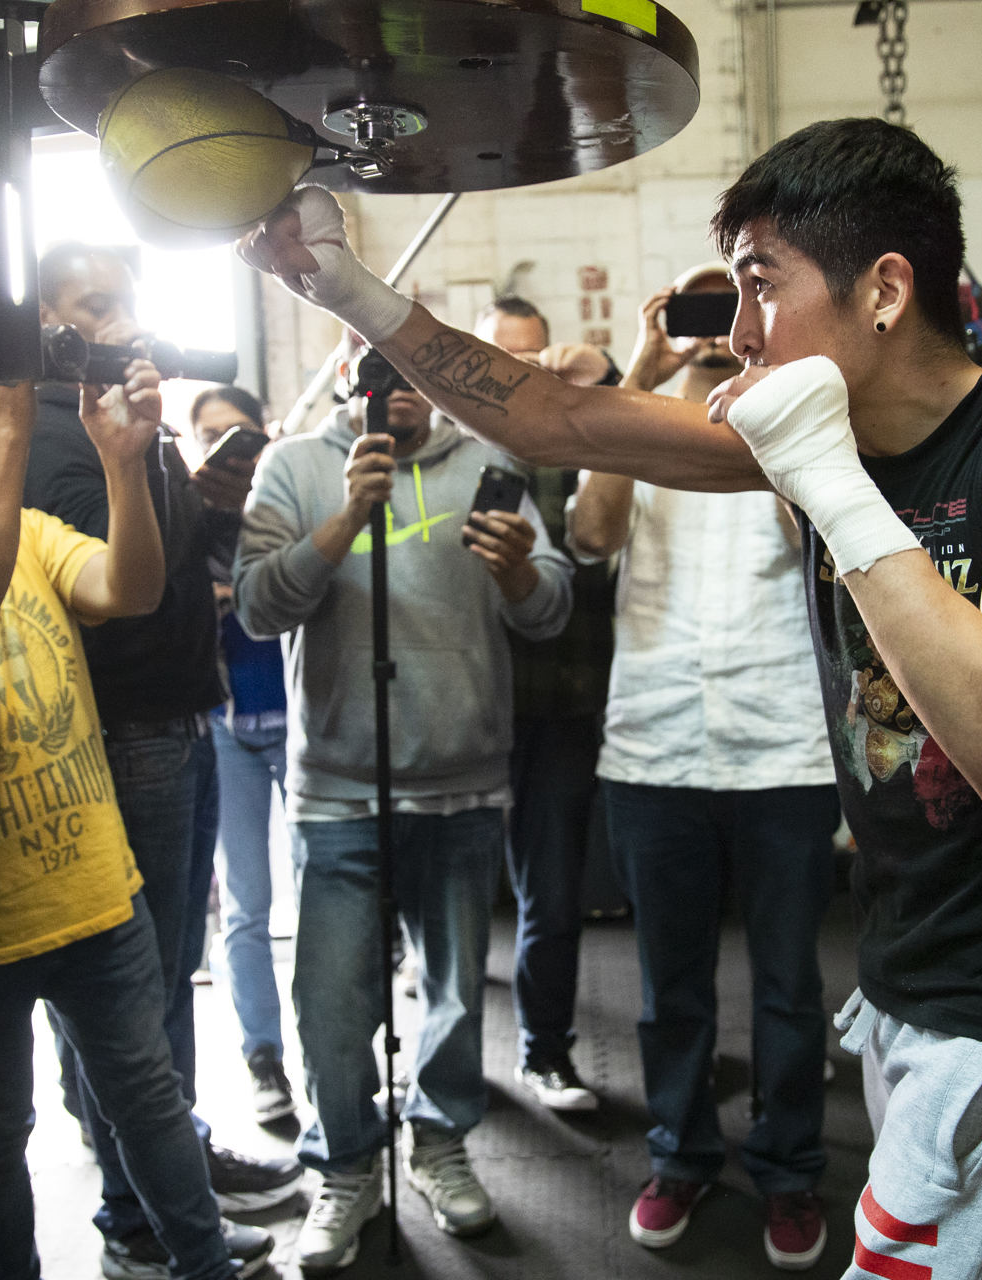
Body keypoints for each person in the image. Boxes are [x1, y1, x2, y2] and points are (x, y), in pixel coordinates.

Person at [238, 115, 982, 1279]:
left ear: (885, 290)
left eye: (762, 285)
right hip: (901, 971)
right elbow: (554, 417)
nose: (737, 334)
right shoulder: (828, 442)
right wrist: (342, 286)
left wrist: (824, 477)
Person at [0, 367, 262, 1280]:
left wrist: (124, 465)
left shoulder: (27, 533)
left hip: (94, 887)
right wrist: (11, 431)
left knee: (150, 1099)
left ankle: (202, 1266)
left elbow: (129, 589)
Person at [233, 358, 573, 1273]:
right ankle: (347, 1165)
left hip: (463, 779)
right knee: (330, 1000)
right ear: (353, 377)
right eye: (382, 369)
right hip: (339, 787)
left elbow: (550, 611)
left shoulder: (489, 463)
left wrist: (516, 574)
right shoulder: (294, 466)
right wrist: (345, 518)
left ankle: (438, 1141)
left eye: (418, 368)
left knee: (457, 992)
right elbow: (258, 608)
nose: (403, 386)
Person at [22, 243, 301, 1273]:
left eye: (130, 302)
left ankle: (173, 1165)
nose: (125, 323)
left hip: (174, 720)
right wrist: (162, 468)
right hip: (126, 729)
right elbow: (126, 585)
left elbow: (172, 551)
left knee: (163, 978)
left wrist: (182, 472)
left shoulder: (113, 428)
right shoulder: (52, 439)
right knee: (129, 997)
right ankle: (140, 1218)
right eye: (96, 305)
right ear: (43, 325)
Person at [565, 266, 841, 1268]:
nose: (718, 328)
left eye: (737, 308)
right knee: (668, 982)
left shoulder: (801, 417)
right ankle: (679, 1154)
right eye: (699, 309)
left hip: (784, 742)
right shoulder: (636, 421)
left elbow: (821, 542)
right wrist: (642, 372)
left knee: (789, 983)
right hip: (658, 740)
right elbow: (591, 535)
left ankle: (789, 1168)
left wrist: (769, 395)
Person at [471, 295, 618, 1114]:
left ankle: (545, 1052)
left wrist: (610, 378)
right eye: (502, 355)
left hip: (559, 702)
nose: (518, 370)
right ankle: (446, 1060)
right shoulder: (449, 456)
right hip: (463, 706)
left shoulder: (578, 448)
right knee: (451, 895)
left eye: (533, 355)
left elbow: (599, 564)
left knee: (553, 895)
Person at [191, 384, 296, 1124]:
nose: (226, 448)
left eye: (239, 434)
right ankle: (263, 1057)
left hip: (305, 720)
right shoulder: (181, 517)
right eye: (210, 436)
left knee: (327, 891)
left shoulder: (288, 504)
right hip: (225, 723)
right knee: (245, 903)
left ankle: (338, 1058)